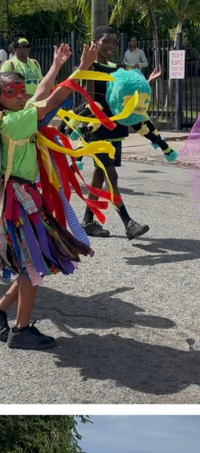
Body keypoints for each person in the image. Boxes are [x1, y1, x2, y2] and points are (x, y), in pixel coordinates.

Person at [0, 41, 98, 351]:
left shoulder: (15, 115)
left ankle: (3, 311)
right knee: (31, 265)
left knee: (33, 261)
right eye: (12, 93)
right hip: (18, 200)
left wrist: (56, 65)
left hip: (22, 195)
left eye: (21, 89)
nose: (21, 95)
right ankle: (21, 329)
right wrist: (83, 68)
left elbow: (41, 93)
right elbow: (55, 97)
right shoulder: (14, 122)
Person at [79, 26, 161, 241]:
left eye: (114, 43)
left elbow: (129, 91)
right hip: (97, 127)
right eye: (107, 41)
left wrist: (148, 82)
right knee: (110, 174)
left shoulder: (119, 67)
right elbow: (89, 97)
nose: (111, 46)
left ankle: (87, 222)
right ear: (95, 42)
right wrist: (86, 68)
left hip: (115, 127)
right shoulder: (90, 64)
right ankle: (128, 223)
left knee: (99, 174)